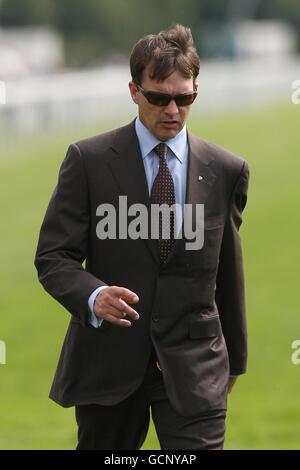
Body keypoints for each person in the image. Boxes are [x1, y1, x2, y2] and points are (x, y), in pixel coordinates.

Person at [34, 24, 249, 450]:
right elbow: (54, 256)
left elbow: (228, 270)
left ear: (195, 92)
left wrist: (234, 362)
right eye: (159, 97)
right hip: (109, 366)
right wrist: (94, 297)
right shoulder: (88, 160)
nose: (172, 109)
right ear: (134, 91)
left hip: (195, 368)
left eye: (184, 98)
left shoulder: (227, 170)